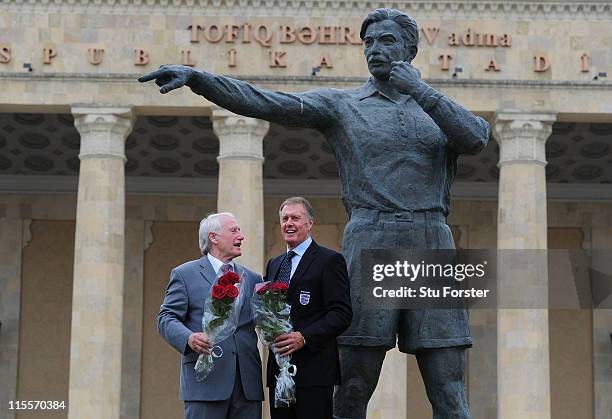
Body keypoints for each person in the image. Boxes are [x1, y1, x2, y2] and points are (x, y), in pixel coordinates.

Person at [141, 8, 489, 418]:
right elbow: (267, 103)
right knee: (354, 382)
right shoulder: (344, 106)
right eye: (369, 42)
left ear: (411, 49)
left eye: (387, 41)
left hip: (431, 240)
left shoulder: (437, 111)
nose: (375, 49)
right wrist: (202, 80)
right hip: (371, 237)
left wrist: (421, 91)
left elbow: (476, 138)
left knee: (448, 385)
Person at [157, 212, 264, 419]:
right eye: (234, 231)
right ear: (213, 237)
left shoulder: (252, 278)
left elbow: (262, 322)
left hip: (247, 387)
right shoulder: (185, 274)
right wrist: (188, 338)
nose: (241, 236)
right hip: (204, 384)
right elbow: (166, 318)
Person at [265, 197, 352, 419]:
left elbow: (342, 314)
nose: (288, 223)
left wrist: (304, 337)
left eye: (295, 218)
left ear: (310, 223)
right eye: (284, 219)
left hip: (313, 373)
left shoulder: (329, 260)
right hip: (279, 371)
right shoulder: (275, 264)